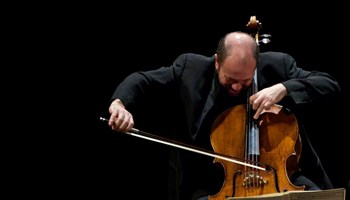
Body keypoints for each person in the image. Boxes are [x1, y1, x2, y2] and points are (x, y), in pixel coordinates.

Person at [107, 31, 340, 200]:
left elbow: (329, 84)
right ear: (217, 62)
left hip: (277, 176)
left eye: (245, 81)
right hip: (211, 181)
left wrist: (285, 88)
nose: (238, 88)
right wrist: (119, 104)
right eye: (231, 80)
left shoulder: (279, 65)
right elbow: (143, 80)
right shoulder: (191, 68)